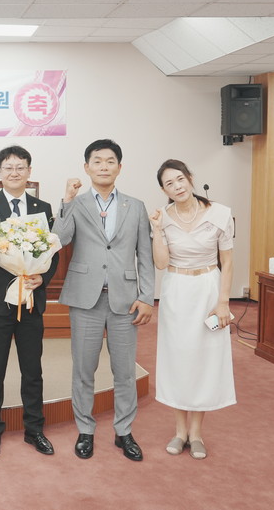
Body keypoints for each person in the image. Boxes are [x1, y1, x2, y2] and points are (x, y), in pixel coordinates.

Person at [52, 139, 154, 462]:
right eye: (97, 161)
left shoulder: (135, 206)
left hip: (125, 301)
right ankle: (85, 430)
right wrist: (66, 201)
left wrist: (147, 297)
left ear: (119, 168)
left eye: (110, 161)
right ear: (87, 168)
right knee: (84, 369)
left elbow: (145, 256)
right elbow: (59, 239)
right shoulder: (77, 203)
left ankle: (124, 431)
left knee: (125, 372)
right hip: (86, 299)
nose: (104, 167)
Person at [0, 145, 60, 458]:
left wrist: (42, 279)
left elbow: (53, 251)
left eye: (20, 167)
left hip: (31, 301)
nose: (14, 172)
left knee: (32, 369)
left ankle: (34, 430)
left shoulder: (42, 206)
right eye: (8, 168)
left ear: (29, 172)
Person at [150, 159, 236, 460]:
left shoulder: (219, 213)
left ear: (190, 178)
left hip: (209, 288)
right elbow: (161, 263)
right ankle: (179, 431)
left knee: (205, 359)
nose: (177, 186)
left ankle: (196, 432)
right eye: (169, 184)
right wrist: (157, 230)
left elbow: (228, 262)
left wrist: (223, 301)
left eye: (180, 179)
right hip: (176, 291)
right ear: (164, 190)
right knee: (178, 358)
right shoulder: (163, 217)